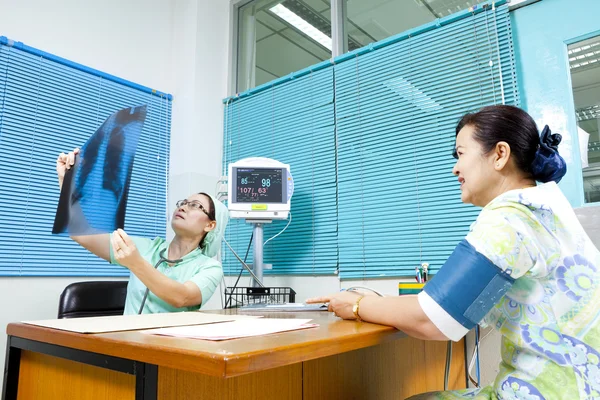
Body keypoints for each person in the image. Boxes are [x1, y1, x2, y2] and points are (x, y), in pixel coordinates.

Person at [307, 105, 600, 399]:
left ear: (500, 154)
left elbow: (433, 320)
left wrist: (356, 304)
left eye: (461, 154)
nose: (455, 168)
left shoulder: (509, 217)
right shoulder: (544, 208)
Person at [56, 148, 229, 314]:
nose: (184, 207)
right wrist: (67, 183)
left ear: (210, 225)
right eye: (183, 202)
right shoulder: (148, 247)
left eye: (195, 206)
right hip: (129, 341)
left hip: (172, 343)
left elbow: (182, 297)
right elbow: (81, 234)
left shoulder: (210, 267)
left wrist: (135, 262)